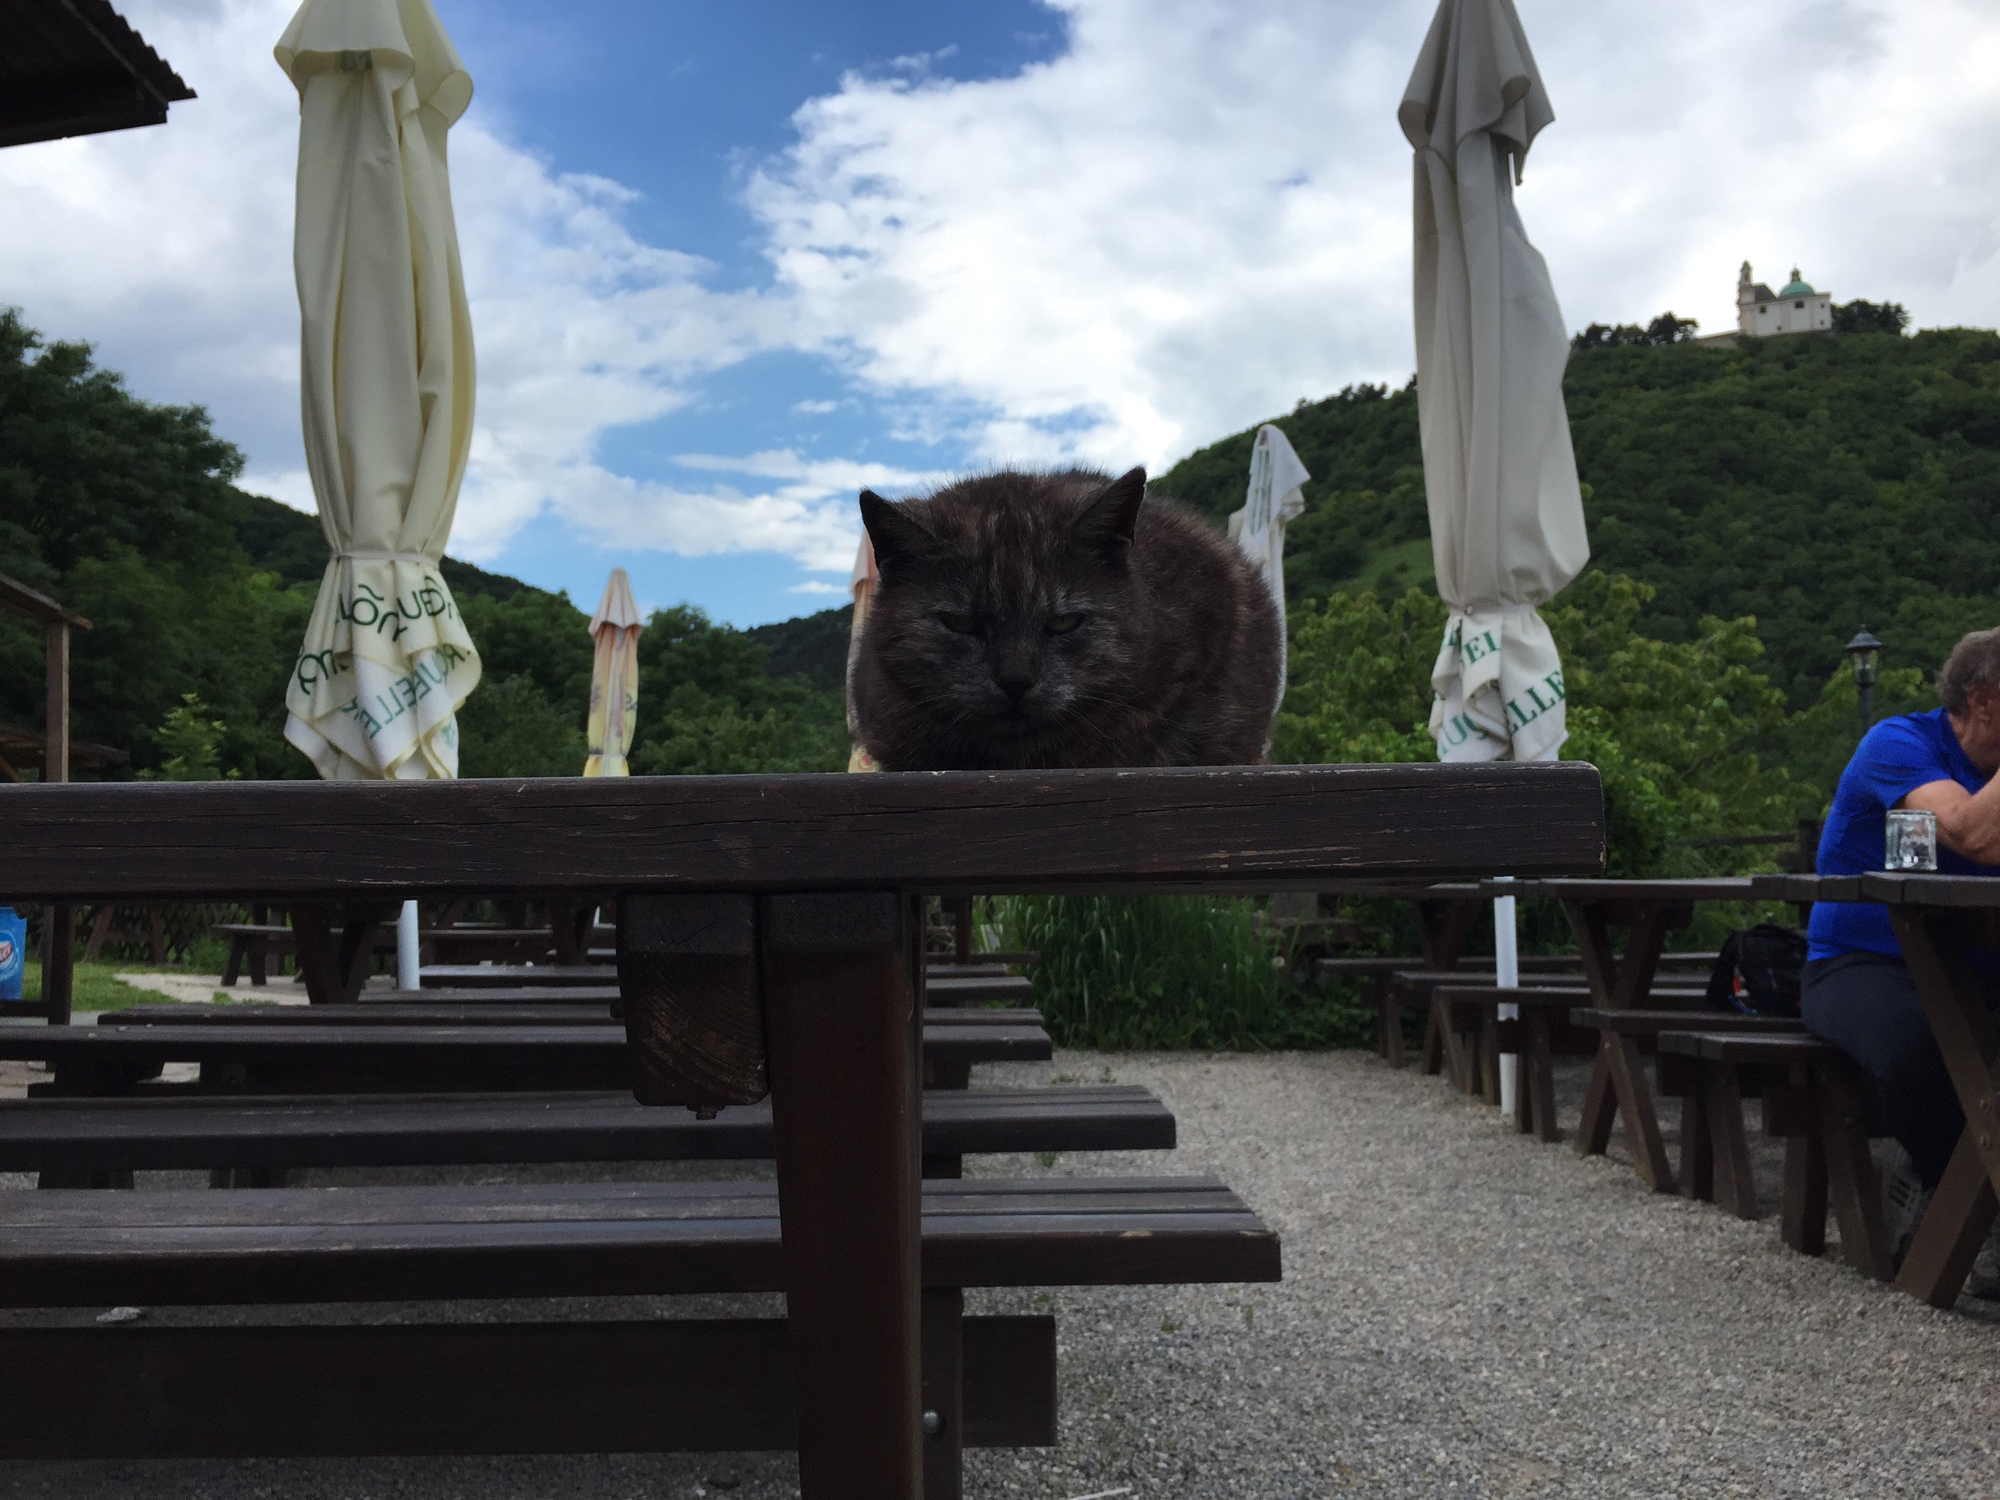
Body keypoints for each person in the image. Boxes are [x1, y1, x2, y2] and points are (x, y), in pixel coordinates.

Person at [1803, 626, 2000, 1294]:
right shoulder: (1899, 744)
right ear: (1983, 701)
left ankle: (1951, 1198)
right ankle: (1965, 1204)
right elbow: (1972, 832)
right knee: (1921, 1042)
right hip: (1862, 962)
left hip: (1972, 966)